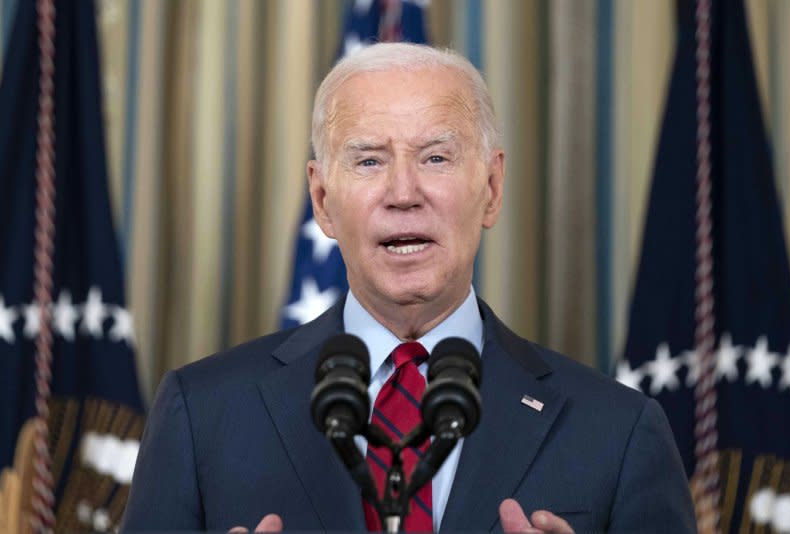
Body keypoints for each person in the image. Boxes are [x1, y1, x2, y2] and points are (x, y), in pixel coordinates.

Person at [121, 43, 696, 533]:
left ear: (491, 188)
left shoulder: (620, 432)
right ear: (322, 199)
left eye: (436, 157)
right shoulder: (201, 415)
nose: (404, 192)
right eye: (369, 161)